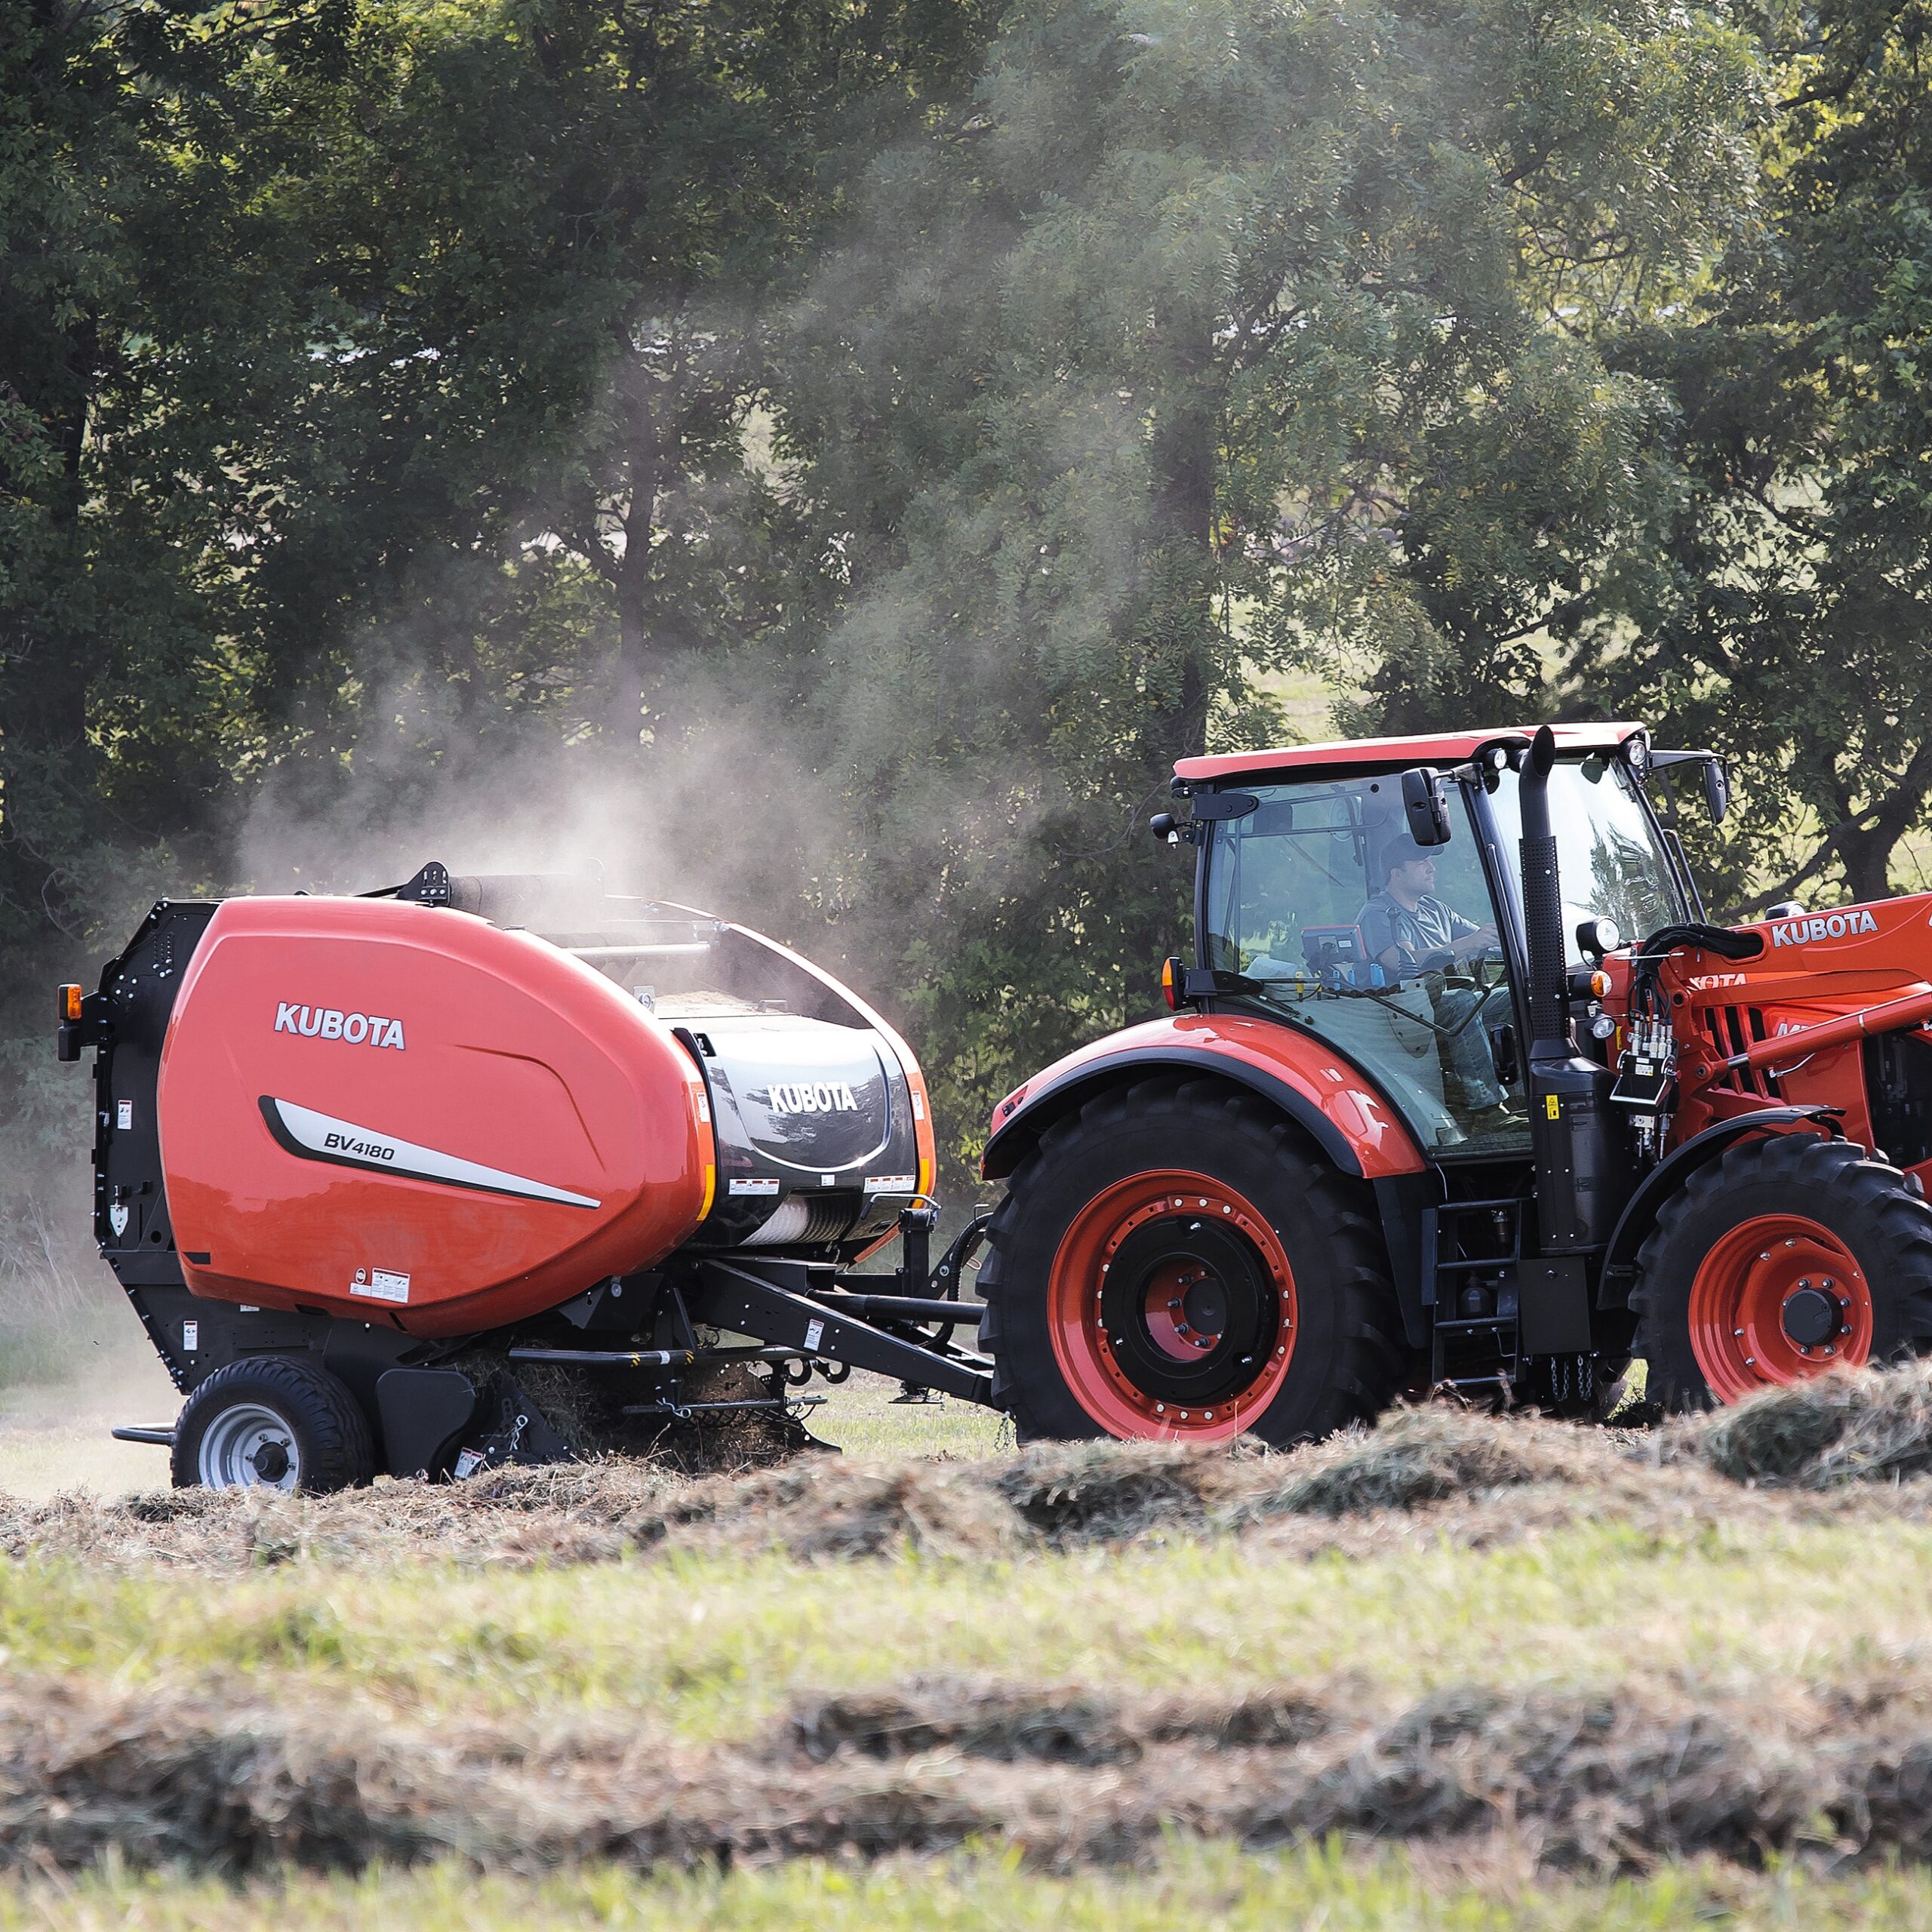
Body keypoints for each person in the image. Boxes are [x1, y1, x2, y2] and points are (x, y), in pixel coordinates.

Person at [1358, 837, 1519, 1135]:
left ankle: (1520, 1097)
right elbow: (1400, 962)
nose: (1432, 867)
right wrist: (1468, 944)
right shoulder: (1378, 914)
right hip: (1406, 1012)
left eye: (1431, 861)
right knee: (1462, 1002)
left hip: (1442, 1003)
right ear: (1397, 873)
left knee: (1518, 996)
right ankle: (1487, 1110)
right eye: (1422, 863)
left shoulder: (1435, 910)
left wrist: (1517, 942)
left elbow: (1485, 939)